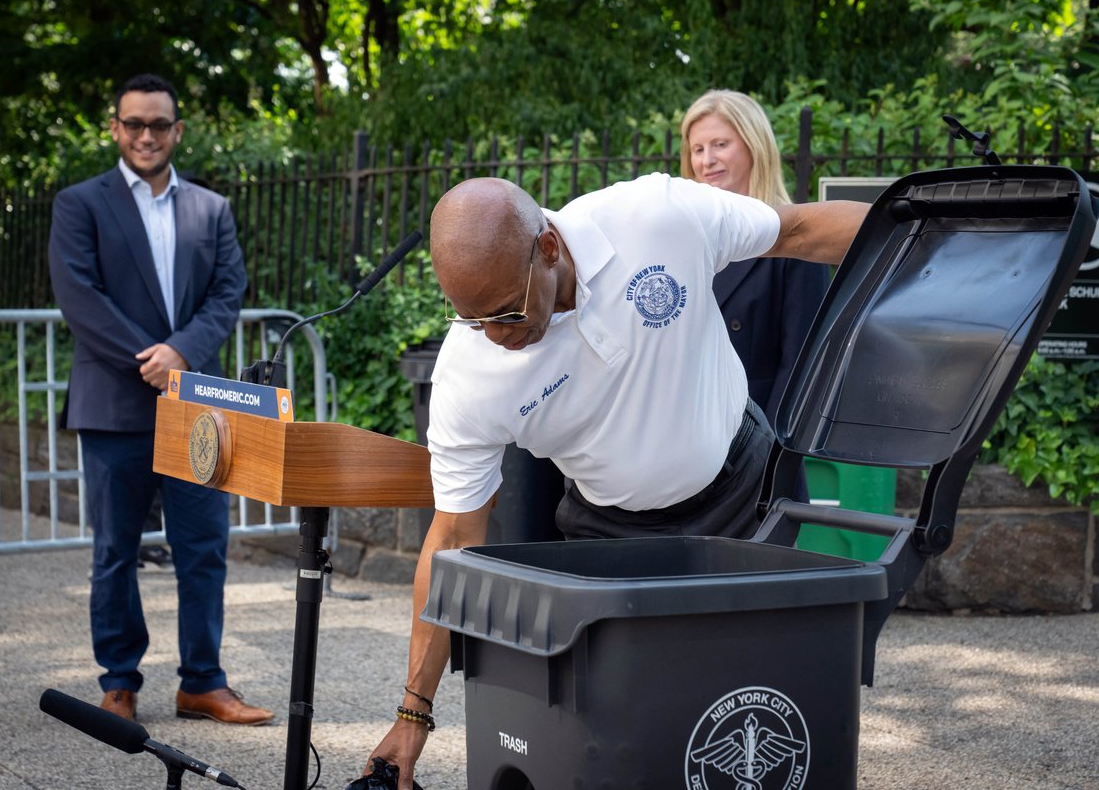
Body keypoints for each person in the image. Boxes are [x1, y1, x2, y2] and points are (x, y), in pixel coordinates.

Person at [363, 172, 868, 786]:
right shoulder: (469, 376)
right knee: (629, 731)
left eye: (506, 311)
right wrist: (413, 710)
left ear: (549, 248)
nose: (495, 335)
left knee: (756, 698)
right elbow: (451, 541)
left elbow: (802, 229)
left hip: (744, 490)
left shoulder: (655, 219)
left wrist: (938, 241)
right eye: (473, 319)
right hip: (612, 531)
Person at [48, 74, 271, 725]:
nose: (147, 135)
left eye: (159, 124)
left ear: (177, 130)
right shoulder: (79, 203)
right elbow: (80, 296)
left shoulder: (211, 208)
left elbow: (228, 291)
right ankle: (119, 682)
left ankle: (202, 682)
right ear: (115, 129)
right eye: (134, 123)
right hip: (115, 405)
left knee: (204, 545)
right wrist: (151, 358)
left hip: (197, 405)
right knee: (116, 550)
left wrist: (182, 354)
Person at [681, 89, 830, 499]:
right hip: (679, 461)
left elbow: (802, 367)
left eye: (720, 145)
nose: (706, 160)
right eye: (697, 148)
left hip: (755, 462)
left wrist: (771, 457)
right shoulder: (681, 240)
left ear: (754, 148)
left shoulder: (797, 240)